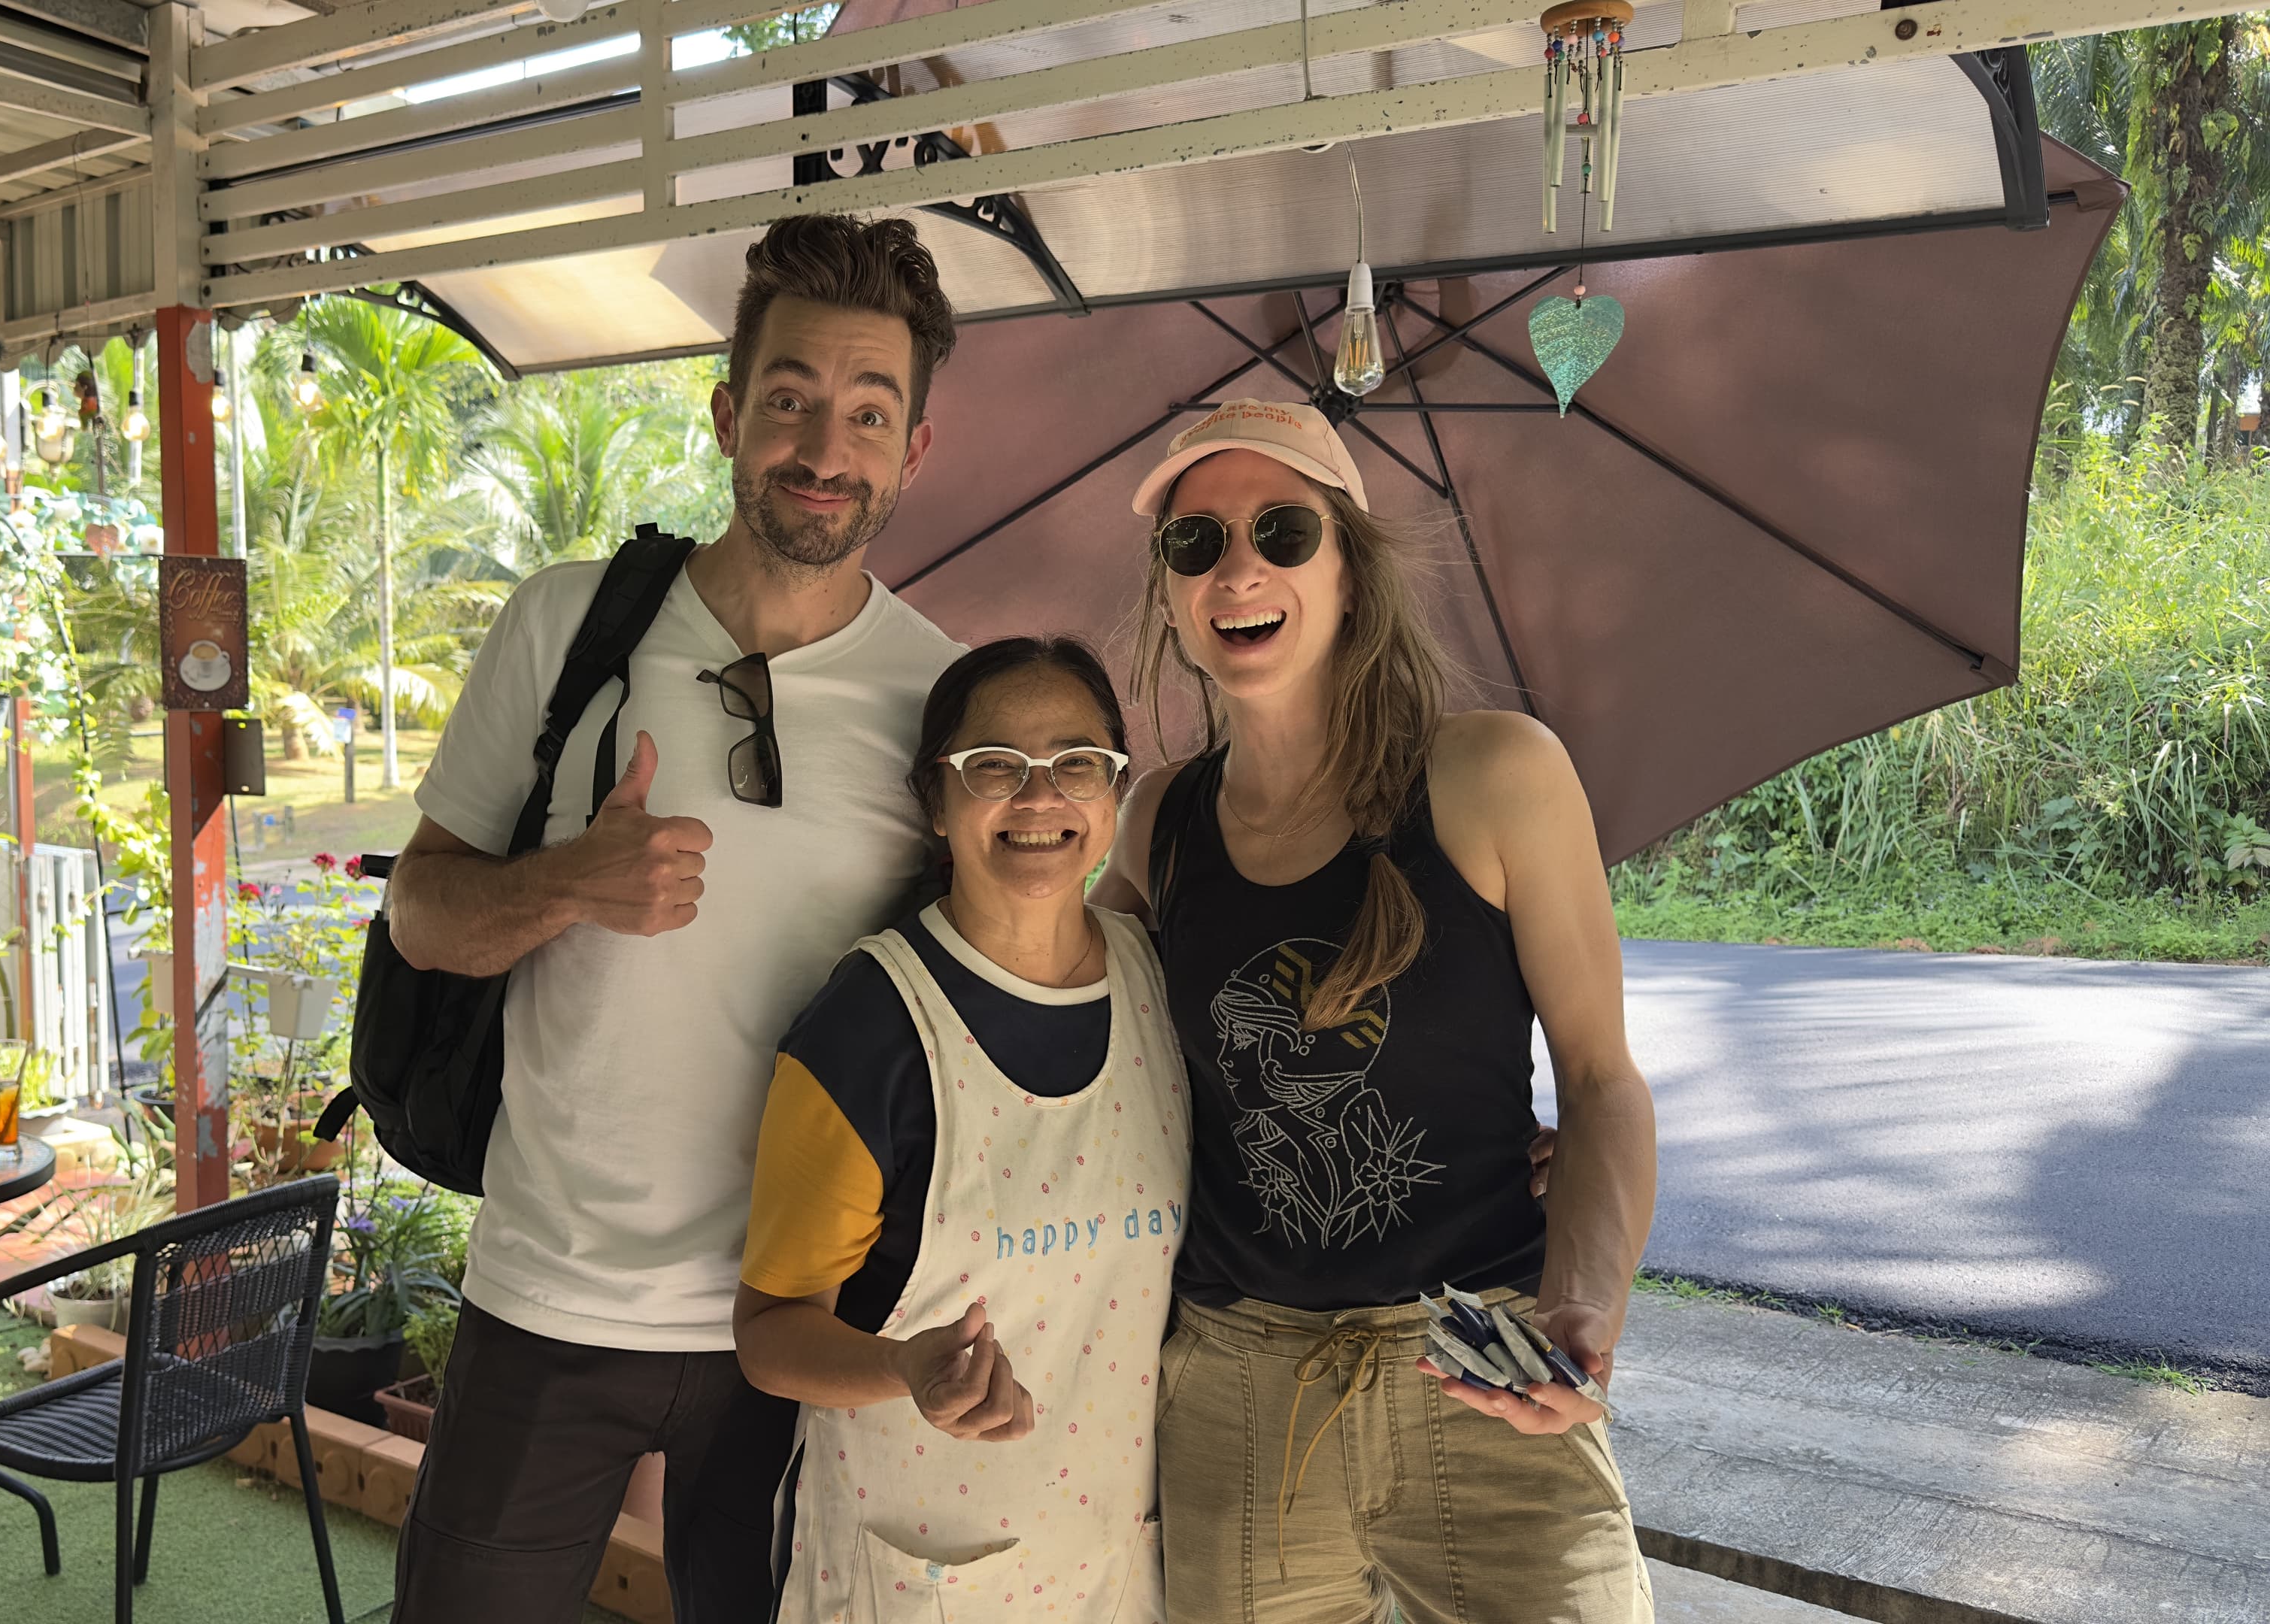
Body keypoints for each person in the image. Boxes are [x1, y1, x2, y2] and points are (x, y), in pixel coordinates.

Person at [381, 214, 969, 1621]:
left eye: (868, 412)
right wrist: (566, 884)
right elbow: (419, 914)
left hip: (802, 1325)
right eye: (789, 401)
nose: (824, 448)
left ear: (914, 452)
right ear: (725, 414)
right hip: (548, 1297)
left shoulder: (943, 700)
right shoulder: (567, 627)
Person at [1091, 399, 1659, 1622]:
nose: (1238, 567)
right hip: (1240, 1389)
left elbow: (1603, 1081)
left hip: (1484, 1361)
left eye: (1282, 532)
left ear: (1349, 566)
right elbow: (1058, 1020)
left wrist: (1584, 1308)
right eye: (1196, 544)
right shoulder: (1158, 822)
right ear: (1172, 593)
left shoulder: (1496, 774)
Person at [736, 637, 1187, 1623]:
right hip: (911, 1572)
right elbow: (769, 1337)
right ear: (936, 804)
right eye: (995, 768)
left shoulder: (1156, 979)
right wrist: (903, 1366)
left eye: (1076, 764)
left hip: (1114, 1563)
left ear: (1113, 794)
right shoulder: (869, 1030)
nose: (1039, 800)